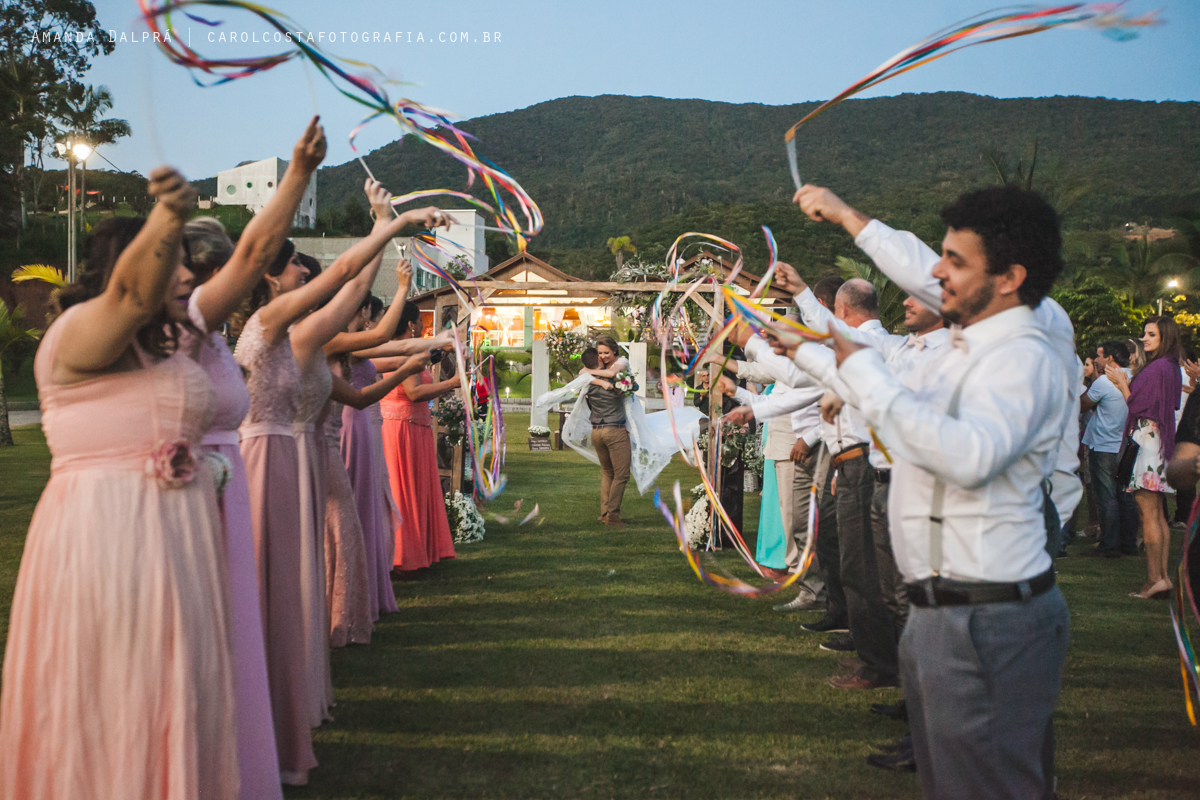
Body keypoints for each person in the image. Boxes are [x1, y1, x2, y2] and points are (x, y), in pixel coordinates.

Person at [793, 183, 1074, 799]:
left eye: (955, 261)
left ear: (1010, 277)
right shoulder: (966, 341)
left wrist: (859, 366)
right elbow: (891, 396)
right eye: (939, 257)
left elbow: (968, 456)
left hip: (989, 615)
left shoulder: (1030, 347)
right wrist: (805, 349)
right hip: (941, 609)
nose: (935, 273)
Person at [0, 170, 240, 798]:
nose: (188, 276)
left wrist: (296, 175)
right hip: (108, 539)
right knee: (114, 689)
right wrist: (167, 212)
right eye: (176, 264)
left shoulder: (166, 346)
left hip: (177, 545)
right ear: (130, 266)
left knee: (174, 690)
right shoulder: (76, 336)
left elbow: (245, 266)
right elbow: (132, 299)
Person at [235, 186, 446, 782]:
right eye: (298, 263)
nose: (307, 269)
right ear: (274, 280)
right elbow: (352, 286)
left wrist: (387, 235)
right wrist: (387, 223)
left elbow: (360, 302)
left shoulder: (298, 334)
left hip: (295, 459)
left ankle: (291, 689)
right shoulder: (276, 328)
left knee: (298, 576)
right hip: (271, 460)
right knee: (277, 576)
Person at [178, 115, 325, 800]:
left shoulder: (215, 334)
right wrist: (300, 175)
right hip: (241, 471)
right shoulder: (259, 324)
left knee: (245, 610)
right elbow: (326, 277)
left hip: (239, 475)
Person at [1106, 316, 1184, 599]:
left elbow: (1138, 404)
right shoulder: (1171, 367)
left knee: (1148, 514)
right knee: (1158, 514)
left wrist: (1122, 384)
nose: (1145, 338)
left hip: (1148, 443)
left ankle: (1155, 579)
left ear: (1166, 337)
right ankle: (1162, 577)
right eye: (1144, 333)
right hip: (1160, 443)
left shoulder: (1158, 367)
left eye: (1151, 334)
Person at [378, 303, 460, 571]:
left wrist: (441, 347)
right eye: (420, 321)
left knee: (414, 489)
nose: (423, 326)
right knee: (404, 491)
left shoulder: (401, 349)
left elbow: (426, 357)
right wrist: (451, 384)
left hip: (414, 426)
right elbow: (413, 392)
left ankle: (418, 551)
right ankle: (404, 555)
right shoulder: (400, 353)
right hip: (403, 430)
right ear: (412, 324)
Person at [1081, 340, 1137, 558]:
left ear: (1111, 358)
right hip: (1126, 445)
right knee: (1125, 496)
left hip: (1104, 445)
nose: (1096, 360)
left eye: (1099, 355)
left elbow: (1082, 405)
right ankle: (1129, 543)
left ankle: (1109, 545)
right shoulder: (1134, 377)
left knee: (1106, 497)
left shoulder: (1104, 381)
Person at [583, 336, 633, 526]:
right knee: (621, 475)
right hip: (615, 431)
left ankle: (604, 512)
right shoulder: (616, 378)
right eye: (600, 353)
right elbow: (624, 385)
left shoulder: (589, 379)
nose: (603, 356)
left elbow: (584, 373)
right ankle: (612, 516)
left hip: (597, 432)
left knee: (607, 472)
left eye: (605, 353)